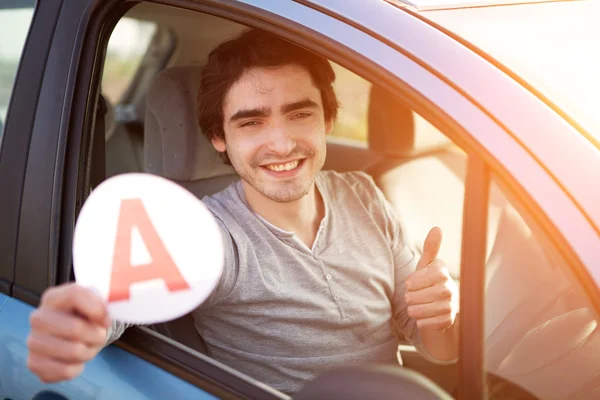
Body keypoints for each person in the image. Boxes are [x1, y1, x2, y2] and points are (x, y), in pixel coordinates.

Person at [27, 29, 459, 394]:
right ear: (219, 137)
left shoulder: (362, 194)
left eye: (299, 114)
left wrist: (440, 313)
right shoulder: (206, 232)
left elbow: (438, 348)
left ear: (327, 119)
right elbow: (115, 303)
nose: (282, 144)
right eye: (251, 123)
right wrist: (77, 324)